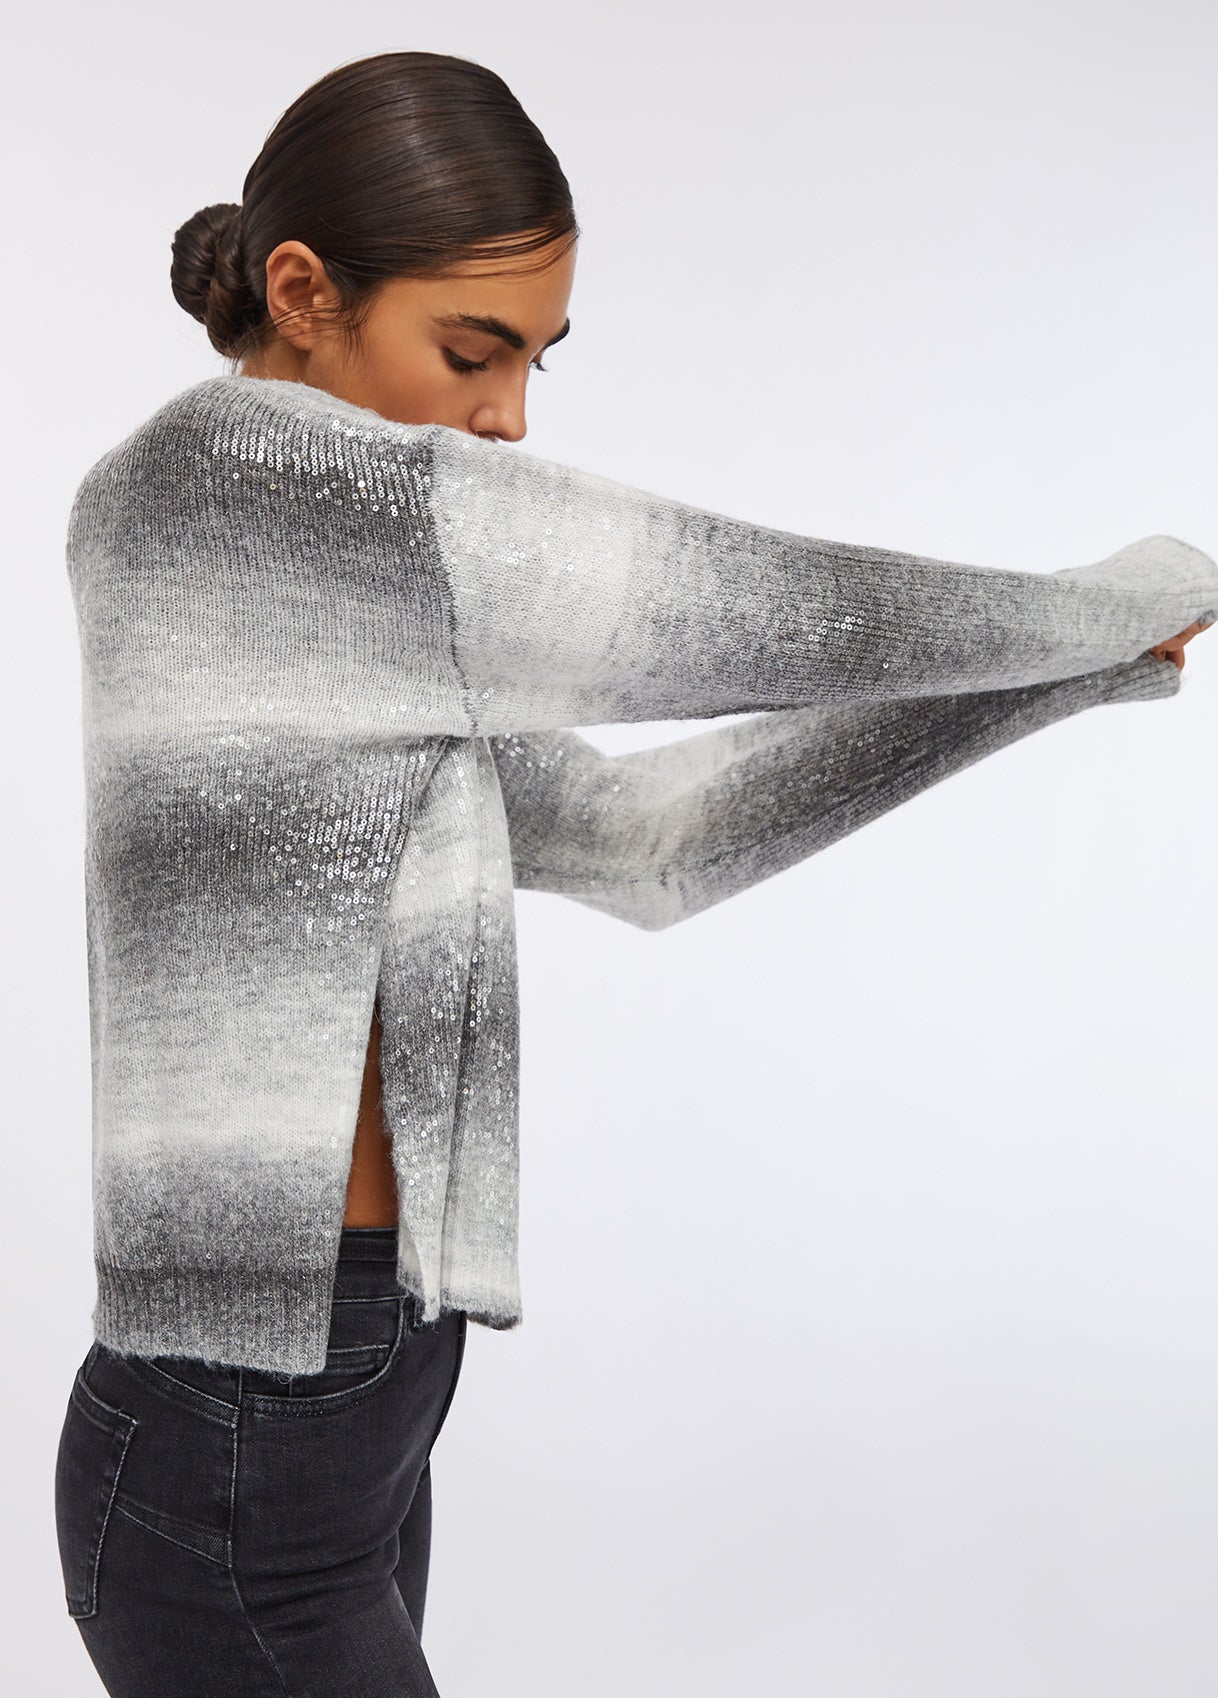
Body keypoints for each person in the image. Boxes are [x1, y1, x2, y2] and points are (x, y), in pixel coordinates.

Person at [52, 48, 1213, 1698]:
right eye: (471, 350)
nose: (508, 416)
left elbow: (651, 842)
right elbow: (749, 608)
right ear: (302, 293)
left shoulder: (345, 622)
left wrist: (1061, 677)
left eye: (535, 359)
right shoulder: (239, 497)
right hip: (241, 1450)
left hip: (344, 1406)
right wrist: (1119, 596)